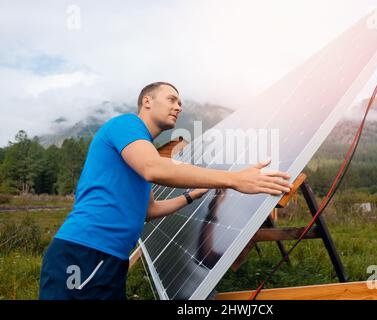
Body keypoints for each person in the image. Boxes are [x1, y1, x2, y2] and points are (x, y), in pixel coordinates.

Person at [39, 82, 292, 300]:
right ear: (147, 101)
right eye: (171, 99)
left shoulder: (141, 149)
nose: (179, 106)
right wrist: (233, 179)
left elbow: (149, 211)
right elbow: (153, 168)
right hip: (85, 252)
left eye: (180, 102)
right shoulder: (126, 125)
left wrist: (192, 195)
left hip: (112, 259)